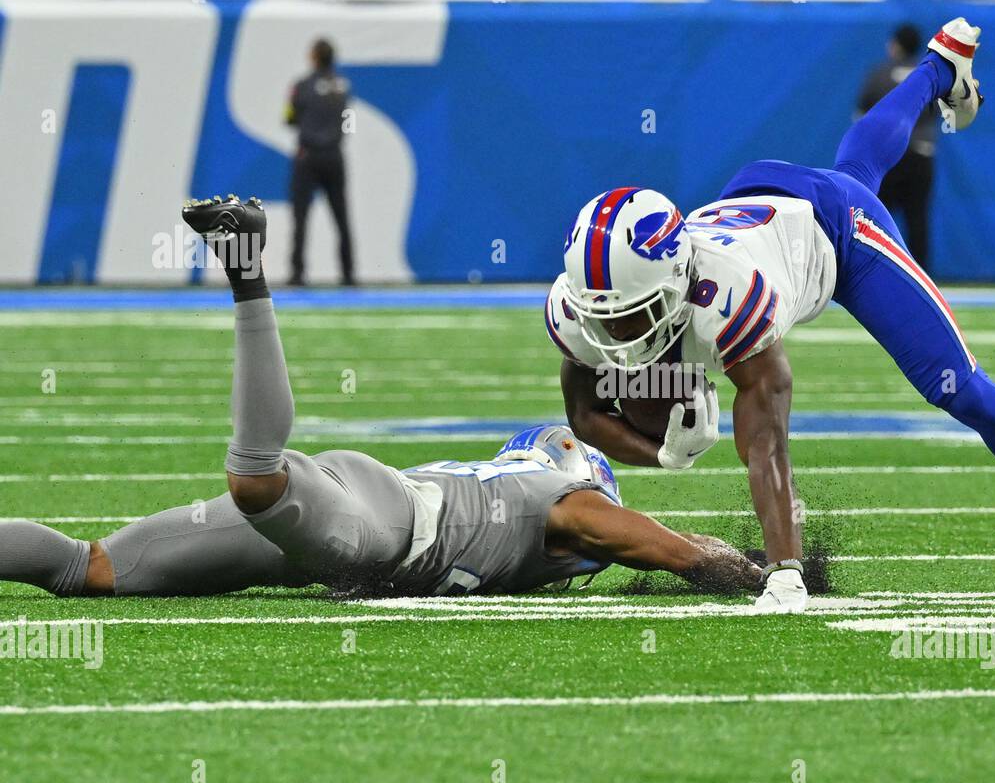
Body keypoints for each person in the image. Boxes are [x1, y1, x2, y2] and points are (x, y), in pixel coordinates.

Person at [545, 18, 995, 615]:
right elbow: (583, 413)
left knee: (959, 390)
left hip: (839, 235)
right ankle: (936, 70)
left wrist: (786, 568)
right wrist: (660, 456)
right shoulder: (586, 304)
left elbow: (766, 436)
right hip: (755, 195)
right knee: (856, 166)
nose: (619, 336)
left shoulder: (726, 295)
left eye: (634, 316)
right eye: (610, 319)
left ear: (677, 280)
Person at [0, 197, 761, 600]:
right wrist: (759, 569)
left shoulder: (536, 489)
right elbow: (654, 543)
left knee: (87, 569)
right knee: (256, 478)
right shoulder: (565, 501)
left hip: (345, 523)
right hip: (384, 528)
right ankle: (246, 270)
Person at [856, 23, 937, 268]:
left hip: (887, 156)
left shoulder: (880, 74)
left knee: (878, 220)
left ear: (896, 45)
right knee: (917, 220)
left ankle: (875, 273)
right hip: (921, 154)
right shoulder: (927, 76)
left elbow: (861, 118)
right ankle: (921, 278)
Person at [286, 39, 356, 286]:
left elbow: (290, 118)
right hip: (334, 155)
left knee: (301, 216)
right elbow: (348, 121)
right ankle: (348, 273)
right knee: (341, 216)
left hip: (308, 156)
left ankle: (297, 272)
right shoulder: (343, 86)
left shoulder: (302, 86)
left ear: (314, 57)